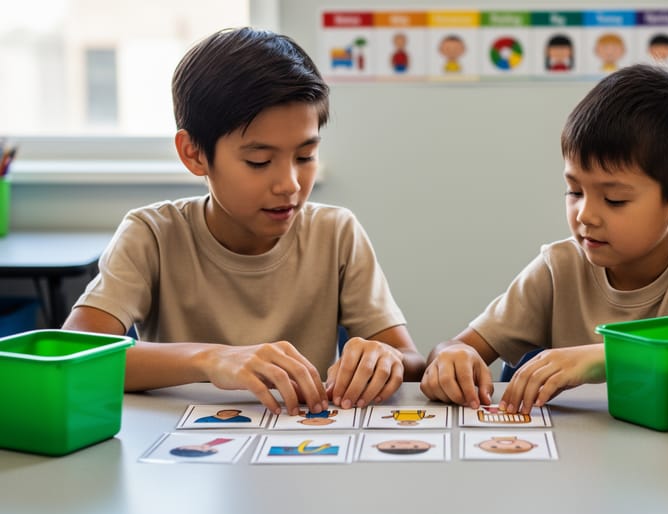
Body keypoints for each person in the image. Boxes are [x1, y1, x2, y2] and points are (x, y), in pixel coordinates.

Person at [63, 27, 425, 417]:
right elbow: (78, 352)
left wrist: (384, 359)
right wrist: (210, 360)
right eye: (259, 161)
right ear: (194, 154)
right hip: (186, 455)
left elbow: (411, 359)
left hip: (302, 445)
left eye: (304, 157)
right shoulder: (152, 234)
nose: (289, 185)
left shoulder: (336, 232)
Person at [420, 64, 668, 413]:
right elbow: (454, 348)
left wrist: (607, 356)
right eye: (574, 191)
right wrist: (452, 357)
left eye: (614, 199)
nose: (585, 215)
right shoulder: (558, 269)